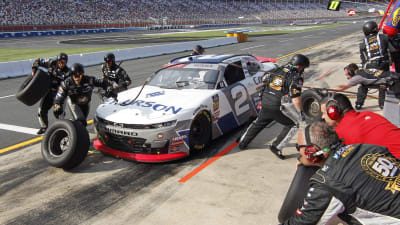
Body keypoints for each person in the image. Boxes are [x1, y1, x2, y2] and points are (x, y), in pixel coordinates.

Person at [283, 121, 400, 224]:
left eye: (299, 148)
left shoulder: (329, 183)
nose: (298, 151)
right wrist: (303, 160)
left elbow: (306, 221)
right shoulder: (365, 147)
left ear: (311, 151)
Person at [237, 54, 310, 159]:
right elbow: (296, 98)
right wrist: (301, 112)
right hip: (277, 106)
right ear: (299, 66)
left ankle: (243, 142)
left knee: (258, 122)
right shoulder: (296, 77)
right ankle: (276, 146)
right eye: (303, 67)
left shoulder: (277, 69)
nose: (303, 70)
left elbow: (264, 79)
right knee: (294, 124)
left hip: (265, 102)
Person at [320, 93, 400, 158]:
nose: (322, 117)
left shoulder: (341, 132)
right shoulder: (369, 114)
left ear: (333, 112)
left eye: (324, 113)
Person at [33, 52, 70, 135]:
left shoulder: (68, 72)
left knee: (58, 112)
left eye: (64, 62)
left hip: (60, 95)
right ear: (57, 61)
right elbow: (38, 61)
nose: (62, 64)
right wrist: (34, 68)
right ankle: (44, 127)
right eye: (60, 62)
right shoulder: (51, 63)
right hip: (49, 91)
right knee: (41, 110)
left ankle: (62, 128)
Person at [359, 21, 390, 109]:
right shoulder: (383, 38)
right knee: (383, 82)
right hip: (382, 67)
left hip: (369, 69)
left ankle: (359, 103)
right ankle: (382, 104)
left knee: (363, 83)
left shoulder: (363, 43)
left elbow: (363, 59)